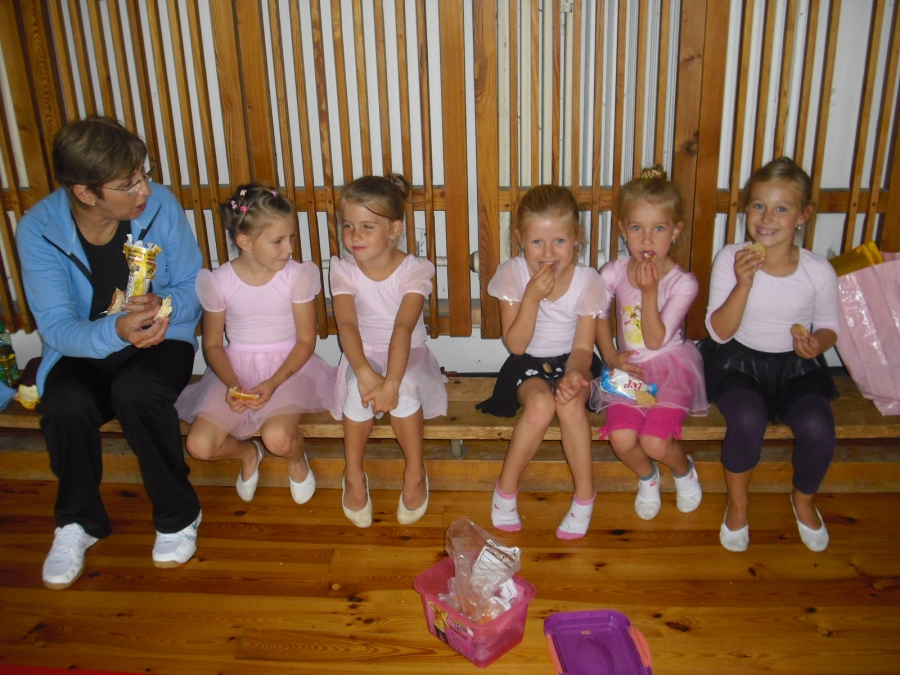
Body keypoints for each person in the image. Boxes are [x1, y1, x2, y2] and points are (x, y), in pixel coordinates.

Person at [16, 116, 203, 589]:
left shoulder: (160, 205)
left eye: (143, 174)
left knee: (138, 390)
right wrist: (116, 330)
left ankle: (178, 514)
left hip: (165, 340)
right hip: (84, 348)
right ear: (85, 192)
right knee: (64, 403)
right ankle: (77, 521)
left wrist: (164, 304)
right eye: (129, 183)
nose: (145, 190)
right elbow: (57, 328)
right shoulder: (39, 230)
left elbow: (192, 286)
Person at [702, 157, 840, 553]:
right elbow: (719, 331)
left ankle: (803, 499)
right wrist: (744, 283)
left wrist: (818, 343)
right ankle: (738, 502)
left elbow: (829, 326)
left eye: (781, 208)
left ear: (803, 216)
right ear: (746, 209)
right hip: (737, 361)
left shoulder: (818, 270)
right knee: (747, 419)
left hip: (797, 366)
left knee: (818, 426)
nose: (767, 217)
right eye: (759, 205)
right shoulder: (731, 258)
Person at [175, 184, 338, 504]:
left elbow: (306, 340)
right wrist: (232, 384)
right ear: (245, 242)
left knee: (278, 438)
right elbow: (213, 346)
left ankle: (295, 456)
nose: (289, 248)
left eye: (291, 237)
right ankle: (248, 453)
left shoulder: (296, 276)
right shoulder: (219, 281)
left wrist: (274, 382)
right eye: (278, 241)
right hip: (235, 369)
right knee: (199, 446)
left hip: (289, 368)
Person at [476, 185, 605, 539]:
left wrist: (574, 375)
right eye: (537, 242)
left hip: (574, 360)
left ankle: (584, 497)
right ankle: (505, 489)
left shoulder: (588, 281)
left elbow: (583, 346)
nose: (548, 253)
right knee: (540, 405)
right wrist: (531, 297)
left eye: (559, 241)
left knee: (570, 406)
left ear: (576, 239)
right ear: (520, 239)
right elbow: (516, 345)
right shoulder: (513, 274)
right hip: (528, 362)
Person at [590, 167, 708, 521]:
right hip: (629, 371)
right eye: (637, 228)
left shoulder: (683, 283)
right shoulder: (612, 271)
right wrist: (610, 356)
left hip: (671, 370)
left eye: (658, 229)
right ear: (622, 228)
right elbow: (597, 314)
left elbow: (656, 340)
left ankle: (684, 470)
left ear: (675, 231)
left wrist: (650, 292)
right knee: (622, 438)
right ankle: (648, 477)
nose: (646, 239)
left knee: (655, 441)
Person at [330, 174, 447, 528]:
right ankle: (353, 473)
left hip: (407, 352)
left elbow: (403, 328)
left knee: (406, 390)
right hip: (361, 353)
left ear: (394, 229)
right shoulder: (344, 270)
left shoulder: (414, 271)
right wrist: (366, 373)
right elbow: (347, 326)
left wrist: (392, 381)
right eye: (348, 225)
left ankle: (415, 472)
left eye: (367, 226)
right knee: (357, 389)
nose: (355, 236)